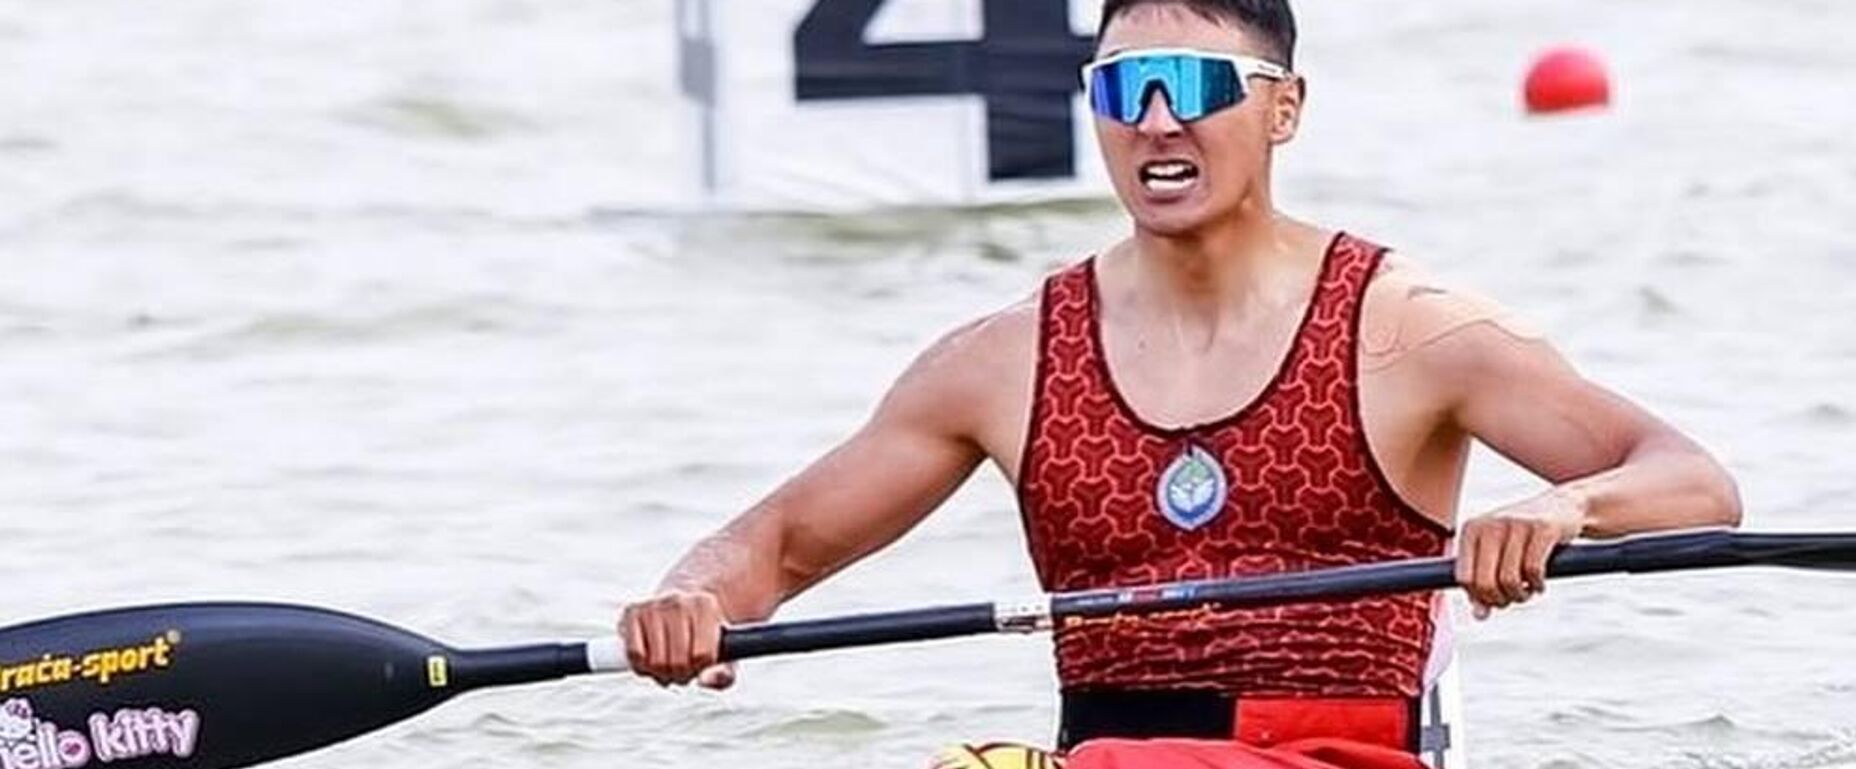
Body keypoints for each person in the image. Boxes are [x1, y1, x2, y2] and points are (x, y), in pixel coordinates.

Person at [618, 1, 1742, 767]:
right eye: (1123, 88)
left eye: (1196, 84)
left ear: (1284, 109)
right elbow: (775, 547)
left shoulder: (1409, 332)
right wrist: (691, 598)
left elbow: (1695, 482)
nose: (1158, 119)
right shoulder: (1005, 360)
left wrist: (1565, 506)